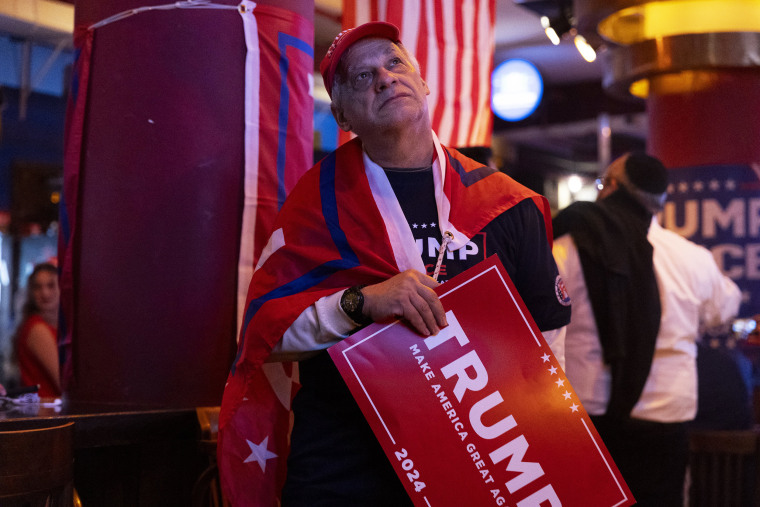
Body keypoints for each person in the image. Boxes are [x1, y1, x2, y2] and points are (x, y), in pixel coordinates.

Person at [219, 21, 571, 506]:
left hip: (474, 463)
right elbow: (266, 336)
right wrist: (360, 304)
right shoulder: (316, 205)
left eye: (394, 63)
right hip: (343, 469)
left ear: (423, 82)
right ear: (341, 114)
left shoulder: (508, 206)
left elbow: (549, 352)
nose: (385, 78)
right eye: (363, 77)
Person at [552, 153, 741, 506]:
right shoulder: (693, 258)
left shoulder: (570, 248)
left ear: (610, 188)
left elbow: (541, 316)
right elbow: (724, 309)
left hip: (591, 411)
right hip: (667, 415)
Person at [12, 262, 62, 398]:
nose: (45, 293)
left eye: (51, 285)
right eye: (38, 287)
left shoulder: (57, 326)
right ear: (31, 293)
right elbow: (63, 382)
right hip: (44, 413)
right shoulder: (37, 328)